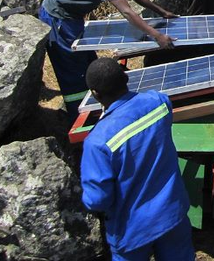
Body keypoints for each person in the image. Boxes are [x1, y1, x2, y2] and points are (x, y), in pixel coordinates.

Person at [39, 0, 176, 117]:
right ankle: (80, 118)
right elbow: (127, 11)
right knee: (73, 74)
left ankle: (96, 108)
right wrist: (157, 36)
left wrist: (162, 12)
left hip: (71, 19)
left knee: (90, 65)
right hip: (59, 19)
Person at [81, 58, 194, 260]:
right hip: (172, 213)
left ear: (95, 93)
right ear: (126, 78)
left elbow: (98, 199)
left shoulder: (97, 143)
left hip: (131, 229)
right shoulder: (159, 103)